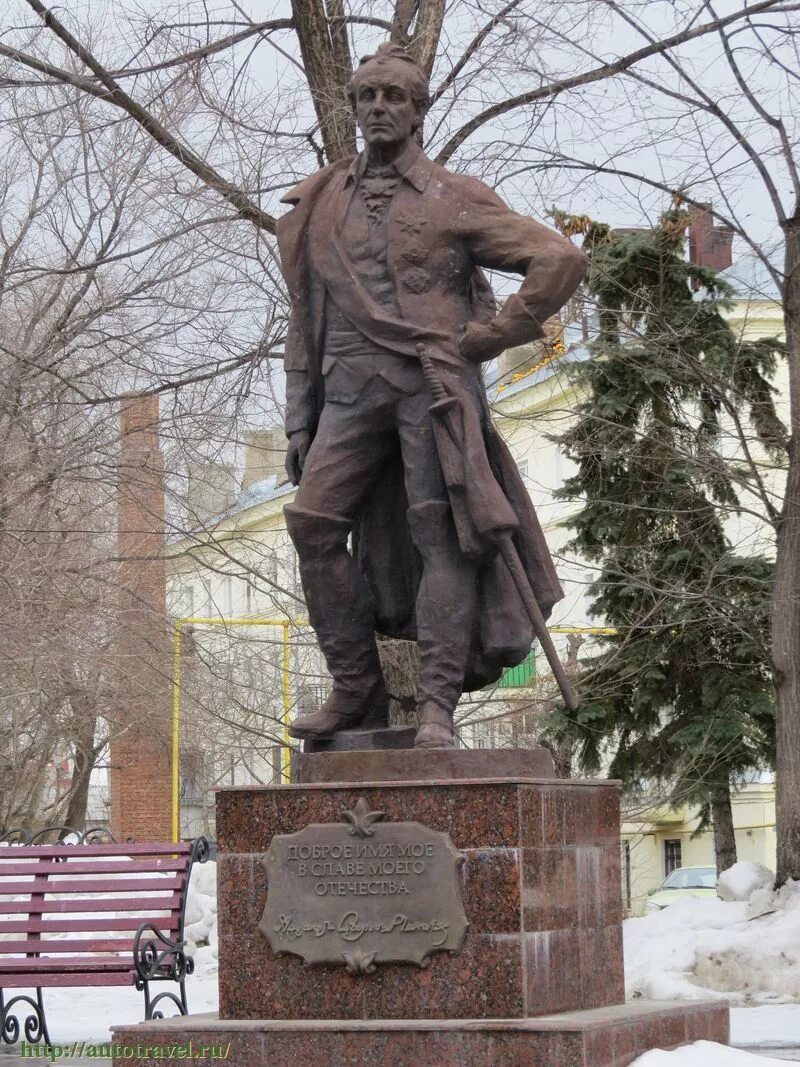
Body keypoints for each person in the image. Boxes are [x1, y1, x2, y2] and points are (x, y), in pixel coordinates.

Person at [278, 43, 586, 748]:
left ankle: (437, 707)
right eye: (367, 97)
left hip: (431, 390)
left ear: (419, 111)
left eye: (394, 97)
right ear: (353, 108)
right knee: (312, 524)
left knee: (442, 535)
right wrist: (300, 419)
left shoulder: (455, 197)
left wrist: (491, 335)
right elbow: (305, 316)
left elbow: (559, 257)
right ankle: (356, 685)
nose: (379, 108)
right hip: (349, 391)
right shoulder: (320, 204)